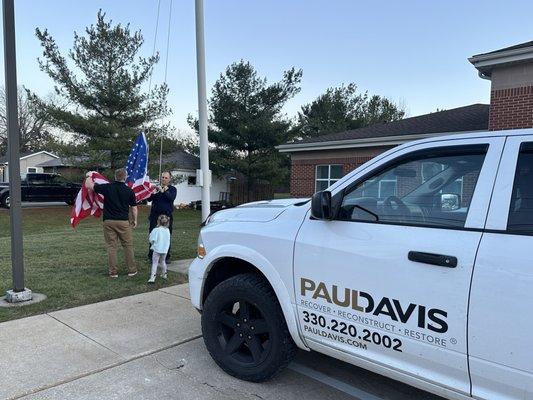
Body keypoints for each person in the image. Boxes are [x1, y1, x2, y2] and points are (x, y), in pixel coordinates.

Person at [85, 168, 138, 278]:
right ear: (125, 177)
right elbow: (134, 208)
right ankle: (132, 270)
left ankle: (113, 272)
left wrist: (90, 175)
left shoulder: (107, 187)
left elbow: (89, 185)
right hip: (123, 222)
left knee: (111, 247)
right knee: (128, 246)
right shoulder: (129, 191)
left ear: (115, 176)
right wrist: (135, 220)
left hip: (108, 221)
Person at [147, 171, 177, 262]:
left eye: (166, 178)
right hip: (155, 216)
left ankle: (166, 256)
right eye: (162, 177)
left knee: (166, 236)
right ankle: (151, 255)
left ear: (169, 179)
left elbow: (171, 198)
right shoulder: (156, 188)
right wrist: (153, 192)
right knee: (153, 235)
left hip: (166, 216)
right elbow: (149, 199)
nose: (163, 179)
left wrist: (164, 191)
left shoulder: (172, 189)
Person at [148, 214, 171, 283]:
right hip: (165, 249)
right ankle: (164, 274)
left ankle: (152, 277)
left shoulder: (156, 230)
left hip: (157, 249)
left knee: (155, 263)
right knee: (163, 261)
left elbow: (151, 239)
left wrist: (153, 244)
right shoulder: (167, 230)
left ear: (158, 221)